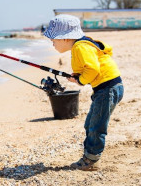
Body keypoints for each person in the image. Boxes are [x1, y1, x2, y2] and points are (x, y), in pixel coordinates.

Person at [43, 14, 124, 171]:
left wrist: (80, 81)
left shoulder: (80, 47)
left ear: (66, 38)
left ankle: (91, 160)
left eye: (54, 39)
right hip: (107, 88)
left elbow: (93, 69)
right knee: (90, 124)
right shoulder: (82, 44)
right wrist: (79, 76)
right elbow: (91, 66)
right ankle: (90, 156)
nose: (52, 42)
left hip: (108, 89)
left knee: (96, 126)